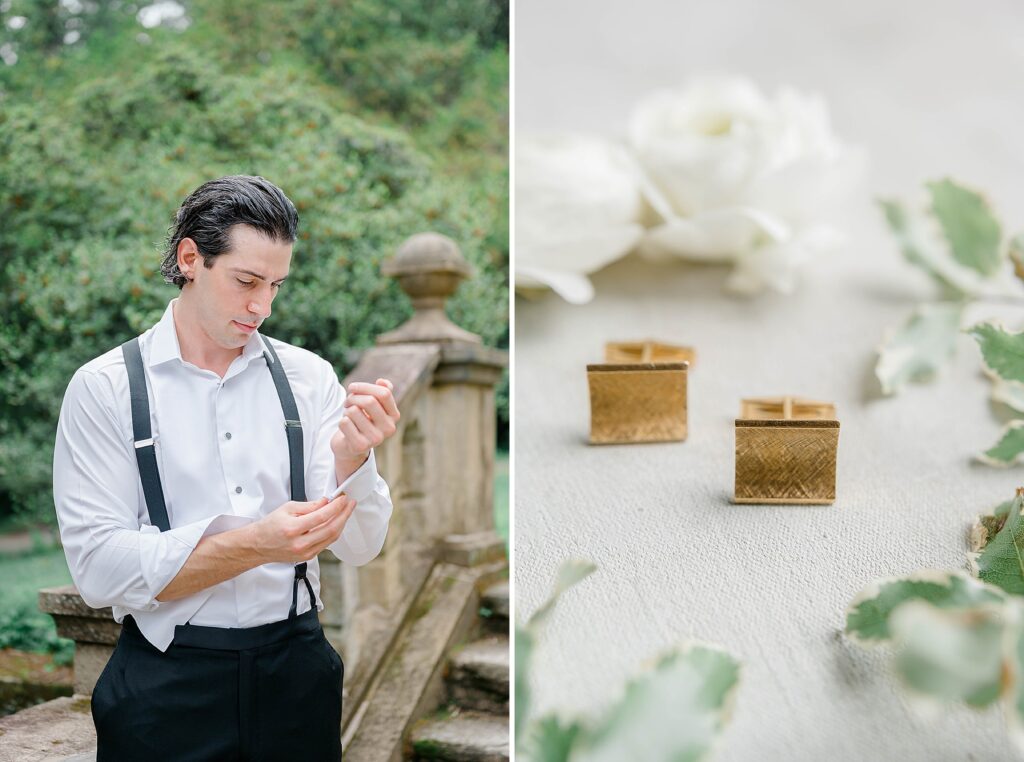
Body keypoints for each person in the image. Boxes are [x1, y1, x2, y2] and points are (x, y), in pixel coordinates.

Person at [52, 175, 400, 760]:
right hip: (164, 691)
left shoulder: (309, 378)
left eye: (276, 285)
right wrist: (255, 542)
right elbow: (98, 570)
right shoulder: (105, 388)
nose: (262, 306)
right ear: (191, 258)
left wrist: (353, 458)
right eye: (246, 281)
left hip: (299, 678)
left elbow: (363, 547)